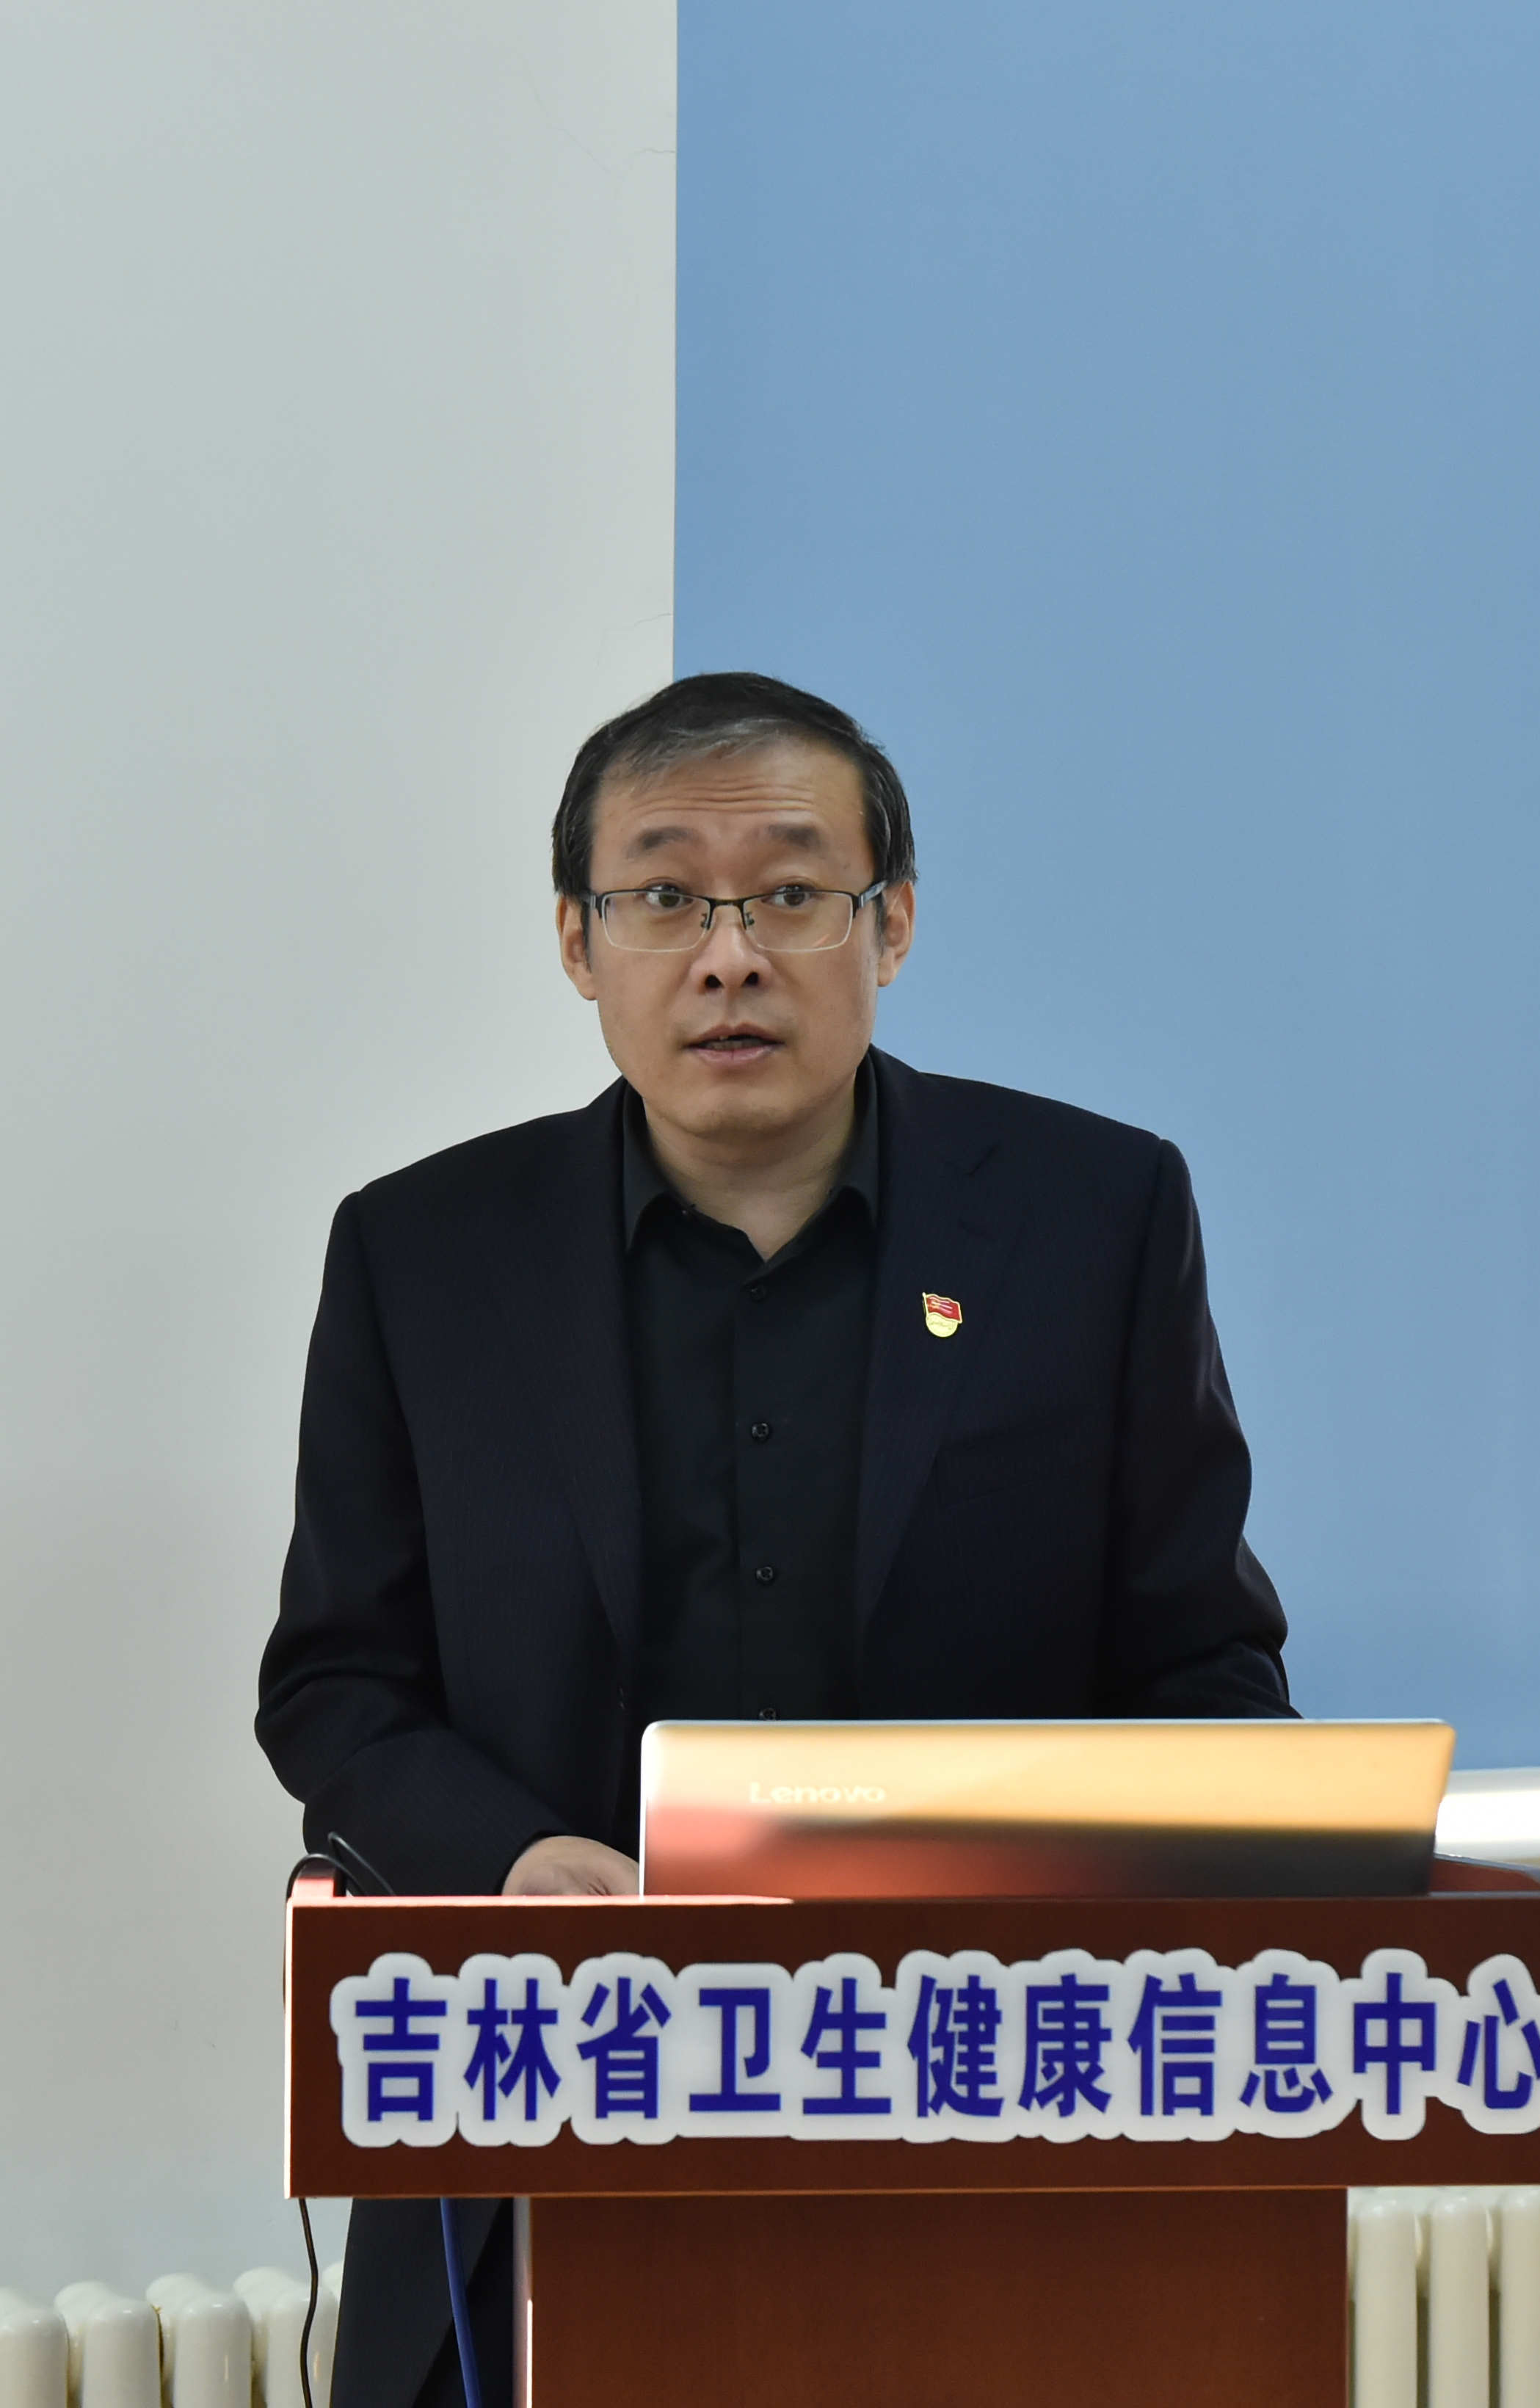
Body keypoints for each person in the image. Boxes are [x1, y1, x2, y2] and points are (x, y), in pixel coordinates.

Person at [254, 670, 1293, 2407]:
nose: (727, 954)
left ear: (891, 922)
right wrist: (514, 1857)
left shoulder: (1091, 1219)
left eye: (790, 892)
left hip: (978, 2117)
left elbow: (1202, 1665)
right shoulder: (424, 1254)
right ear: (579, 943)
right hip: (547, 2111)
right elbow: (336, 1683)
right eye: (665, 895)